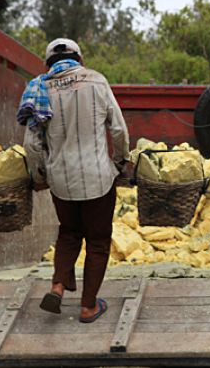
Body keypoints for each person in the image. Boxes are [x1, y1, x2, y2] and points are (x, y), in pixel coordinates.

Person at [18, 38, 130, 323]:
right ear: (79, 59)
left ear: (48, 64)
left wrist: (40, 173)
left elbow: (31, 144)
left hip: (61, 179)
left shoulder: (38, 88)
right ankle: (88, 306)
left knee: (69, 232)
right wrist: (120, 161)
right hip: (98, 178)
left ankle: (57, 286)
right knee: (97, 241)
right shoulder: (96, 81)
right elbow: (117, 129)